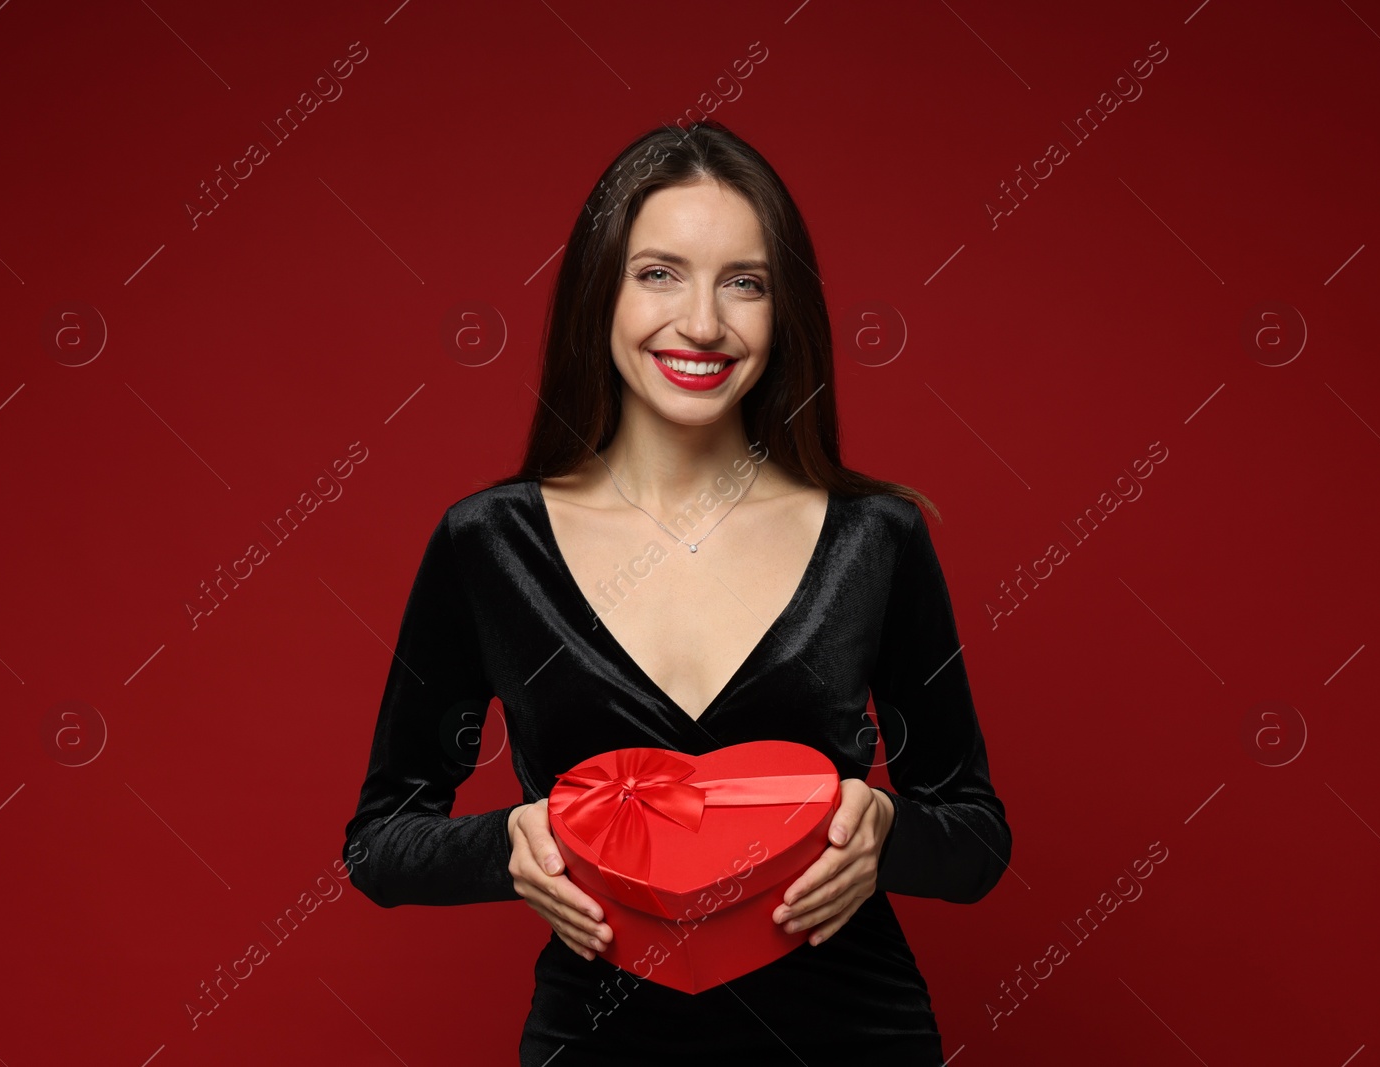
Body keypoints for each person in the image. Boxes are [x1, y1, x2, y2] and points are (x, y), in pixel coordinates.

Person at [342, 120, 1012, 1065]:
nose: (702, 322)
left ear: (785, 314)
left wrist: (889, 831)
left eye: (745, 282)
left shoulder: (878, 538)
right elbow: (379, 843)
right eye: (659, 273)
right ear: (598, 292)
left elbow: (978, 838)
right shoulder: (487, 544)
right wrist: (510, 844)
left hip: (855, 1038)